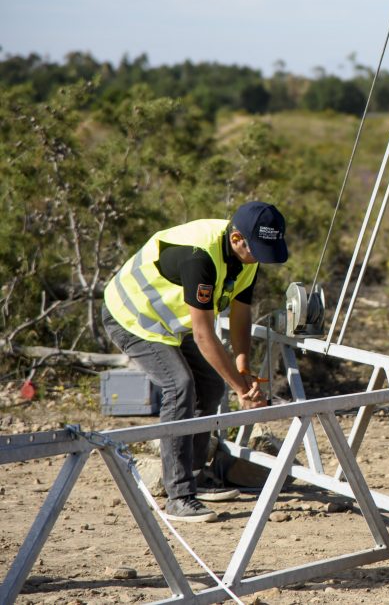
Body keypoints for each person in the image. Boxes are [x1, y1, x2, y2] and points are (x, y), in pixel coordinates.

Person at [101, 201, 289, 523]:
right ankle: (179, 497)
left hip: (170, 323)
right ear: (236, 239)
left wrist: (242, 371)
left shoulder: (247, 256)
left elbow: (241, 317)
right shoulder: (200, 256)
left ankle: (194, 476)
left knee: (212, 384)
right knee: (180, 385)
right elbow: (204, 336)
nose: (259, 258)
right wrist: (242, 390)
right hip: (131, 316)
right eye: (257, 250)